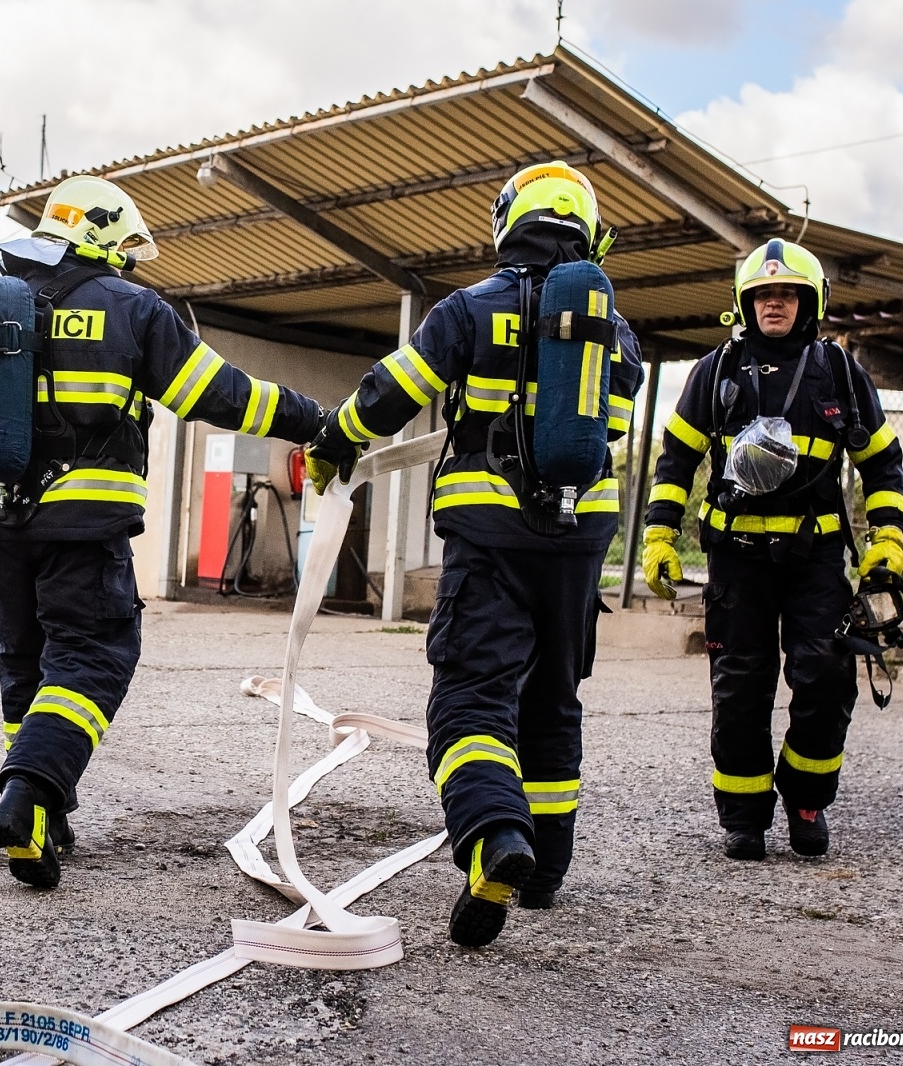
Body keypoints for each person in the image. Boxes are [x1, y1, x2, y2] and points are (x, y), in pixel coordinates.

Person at [0, 175, 325, 890]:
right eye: (126, 250)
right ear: (107, 238)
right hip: (83, 522)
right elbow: (221, 395)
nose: (129, 264)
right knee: (92, 656)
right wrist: (316, 421)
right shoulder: (130, 308)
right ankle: (27, 795)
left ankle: (44, 817)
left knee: (26, 660)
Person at [305, 162, 643, 946]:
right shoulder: (614, 332)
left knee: (471, 698)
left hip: (489, 537)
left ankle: (494, 838)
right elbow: (610, 428)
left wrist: (335, 442)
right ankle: (548, 867)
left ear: (508, 223)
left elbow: (391, 393)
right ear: (587, 231)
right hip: (578, 541)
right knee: (553, 698)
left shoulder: (471, 309)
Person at [642, 239, 903, 861]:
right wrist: (658, 534)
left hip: (816, 562)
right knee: (740, 688)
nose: (774, 304)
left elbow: (884, 467)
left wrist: (888, 541)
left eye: (786, 294)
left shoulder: (841, 373)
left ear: (808, 302)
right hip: (737, 560)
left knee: (826, 677)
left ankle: (807, 799)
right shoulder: (713, 373)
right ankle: (744, 817)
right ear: (744, 302)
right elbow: (676, 460)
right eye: (763, 295)